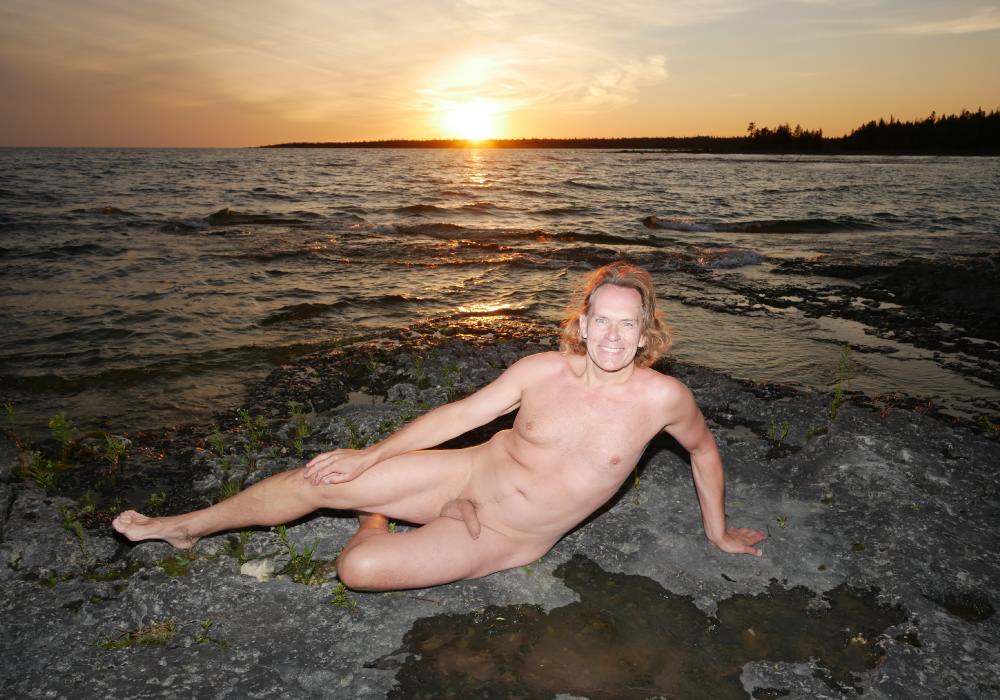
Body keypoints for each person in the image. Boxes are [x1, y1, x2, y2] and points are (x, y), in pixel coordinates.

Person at [113, 262, 766, 590]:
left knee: (359, 569)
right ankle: (185, 527)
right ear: (582, 322)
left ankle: (375, 518)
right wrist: (370, 457)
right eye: (603, 320)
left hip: (508, 534)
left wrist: (719, 531)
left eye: (628, 324)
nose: (614, 336)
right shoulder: (541, 370)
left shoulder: (664, 399)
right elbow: (459, 416)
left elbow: (705, 454)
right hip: (468, 473)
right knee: (319, 478)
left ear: (645, 333)